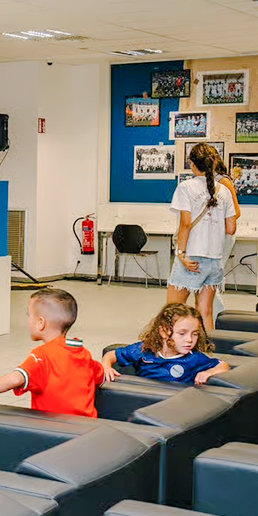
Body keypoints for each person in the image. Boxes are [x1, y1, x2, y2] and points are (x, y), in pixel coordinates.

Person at [0, 288, 108, 417]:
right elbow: (101, 375)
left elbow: (15, 379)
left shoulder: (42, 355)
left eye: (29, 315)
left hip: (55, 432)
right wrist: (107, 366)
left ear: (40, 323)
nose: (27, 321)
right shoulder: (83, 353)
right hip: (88, 428)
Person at [168, 142, 237, 333]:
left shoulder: (185, 187)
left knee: (172, 311)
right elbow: (231, 228)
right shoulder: (224, 190)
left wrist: (181, 254)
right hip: (215, 260)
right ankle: (208, 348)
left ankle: (172, 348)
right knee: (205, 312)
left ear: (191, 163)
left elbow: (185, 224)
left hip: (191, 258)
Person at [103, 304, 230, 386]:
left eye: (195, 334)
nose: (189, 340)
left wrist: (209, 372)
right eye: (182, 334)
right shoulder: (144, 350)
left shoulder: (194, 358)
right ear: (164, 332)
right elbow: (112, 354)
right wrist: (106, 366)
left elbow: (223, 366)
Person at [209, 157, 241, 316]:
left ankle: (217, 315)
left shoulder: (223, 181)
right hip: (212, 235)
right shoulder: (208, 182)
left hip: (222, 234)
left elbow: (236, 212)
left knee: (211, 277)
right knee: (207, 278)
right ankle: (212, 314)